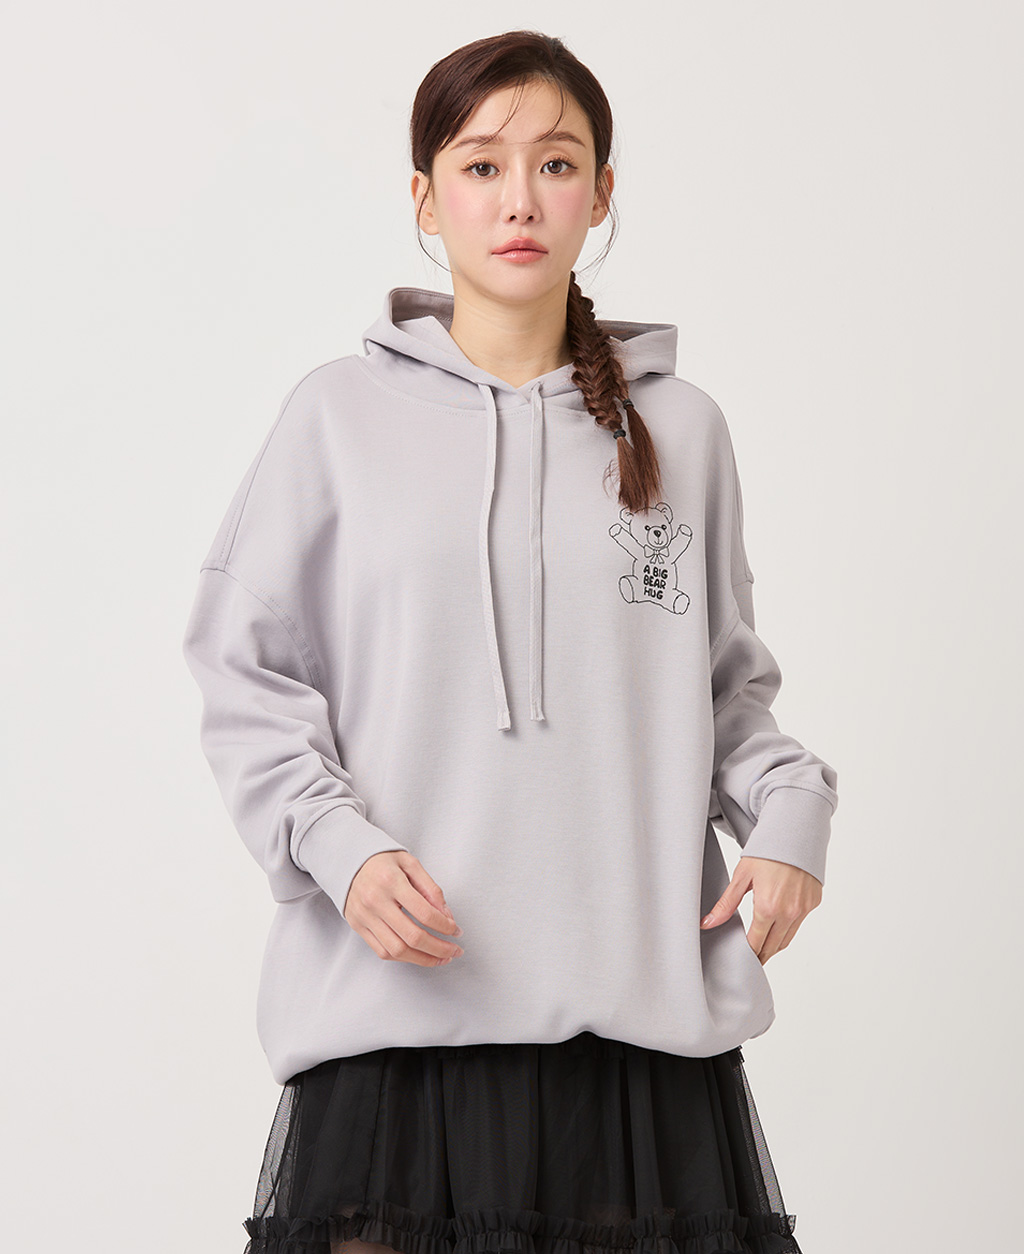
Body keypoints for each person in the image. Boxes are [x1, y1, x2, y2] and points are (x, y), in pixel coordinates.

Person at [182, 29, 839, 1254]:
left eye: (556, 162)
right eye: (481, 166)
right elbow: (243, 668)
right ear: (424, 199)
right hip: (394, 1027)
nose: (520, 199)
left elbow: (719, 696)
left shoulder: (682, 432)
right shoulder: (335, 418)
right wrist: (334, 844)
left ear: (602, 191)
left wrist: (790, 810)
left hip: (633, 1047)